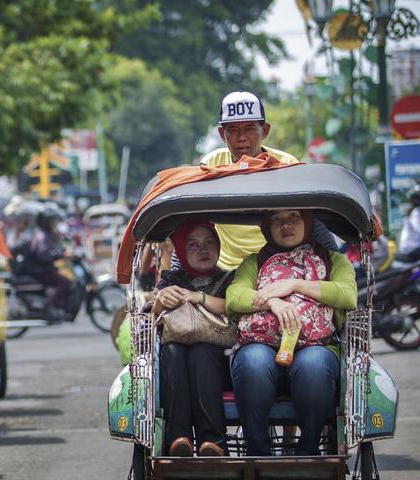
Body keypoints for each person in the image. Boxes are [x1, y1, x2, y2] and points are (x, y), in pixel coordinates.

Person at [226, 209, 357, 456]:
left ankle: (307, 450)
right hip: (262, 345)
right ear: (266, 226)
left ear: (308, 221)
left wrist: (295, 284)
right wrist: (272, 302)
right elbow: (234, 297)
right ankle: (258, 452)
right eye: (276, 219)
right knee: (253, 361)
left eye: (294, 217)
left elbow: (347, 294)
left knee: (314, 365)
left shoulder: (334, 261)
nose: (285, 225)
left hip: (316, 346)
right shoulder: (254, 261)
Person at [202, 90, 340, 268]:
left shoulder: (286, 165)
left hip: (281, 264)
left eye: (250, 129)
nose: (241, 138)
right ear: (222, 135)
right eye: (233, 130)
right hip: (223, 269)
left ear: (265, 131)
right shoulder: (211, 164)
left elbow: (311, 221)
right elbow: (193, 221)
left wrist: (337, 267)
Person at [152, 220, 232, 457]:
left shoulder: (231, 280)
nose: (203, 249)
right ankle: (178, 437)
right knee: (172, 350)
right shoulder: (171, 281)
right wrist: (160, 299)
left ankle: (212, 441)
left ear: (218, 246)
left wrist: (198, 298)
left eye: (209, 243)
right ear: (181, 250)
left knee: (202, 351)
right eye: (193, 244)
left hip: (222, 363)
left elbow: (236, 307)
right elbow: (152, 314)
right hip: (177, 363)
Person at [17, 207, 71, 322]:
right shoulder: (41, 236)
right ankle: (51, 308)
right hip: (38, 270)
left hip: (41, 268)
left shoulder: (46, 234)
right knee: (63, 281)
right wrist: (59, 255)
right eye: (52, 222)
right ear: (45, 222)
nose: (54, 224)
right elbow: (43, 255)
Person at [396, 184, 420, 264]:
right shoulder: (416, 212)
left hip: (411, 246)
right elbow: (418, 229)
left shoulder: (413, 210)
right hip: (411, 247)